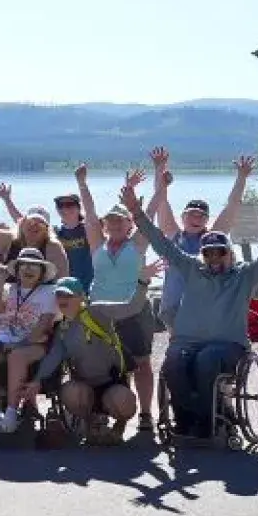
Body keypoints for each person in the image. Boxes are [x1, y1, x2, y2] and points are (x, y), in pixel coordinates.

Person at [129, 183, 258, 441]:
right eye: (208, 253)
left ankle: (204, 419)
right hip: (187, 341)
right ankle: (186, 418)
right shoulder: (192, 269)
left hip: (228, 345)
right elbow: (161, 243)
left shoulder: (244, 276)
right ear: (202, 255)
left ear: (229, 254)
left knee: (208, 360)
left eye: (219, 252)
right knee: (173, 364)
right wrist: (137, 213)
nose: (213, 258)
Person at [21, 265, 158, 444]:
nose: (63, 299)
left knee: (124, 404)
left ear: (81, 297)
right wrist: (37, 380)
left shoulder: (97, 311)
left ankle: (119, 425)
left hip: (113, 383)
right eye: (60, 295)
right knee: (70, 391)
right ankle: (91, 424)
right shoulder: (62, 329)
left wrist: (142, 282)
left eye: (69, 295)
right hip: (84, 387)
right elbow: (52, 358)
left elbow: (132, 307)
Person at [74, 163, 159, 433]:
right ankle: (111, 410)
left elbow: (152, 210)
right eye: (110, 220)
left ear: (130, 222)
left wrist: (160, 177)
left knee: (142, 362)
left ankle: (145, 414)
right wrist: (82, 183)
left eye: (120, 220)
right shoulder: (97, 244)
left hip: (133, 310)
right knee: (108, 363)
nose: (114, 224)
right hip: (101, 313)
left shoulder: (138, 244)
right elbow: (88, 212)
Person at [147, 149, 254, 329]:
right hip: (173, 307)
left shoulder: (213, 238)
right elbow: (162, 201)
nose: (196, 219)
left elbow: (233, 205)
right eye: (191, 215)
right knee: (181, 351)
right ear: (182, 217)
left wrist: (242, 177)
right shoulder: (173, 234)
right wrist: (159, 169)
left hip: (208, 307)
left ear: (207, 219)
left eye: (201, 216)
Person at [0, 247, 54, 433]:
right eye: (24, 265)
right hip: (1, 342)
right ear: (17, 270)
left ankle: (11, 413)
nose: (28, 269)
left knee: (17, 356)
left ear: (42, 272)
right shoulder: (8, 289)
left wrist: (16, 345)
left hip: (34, 345)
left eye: (35, 266)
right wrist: (0, 282)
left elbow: (43, 326)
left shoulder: (49, 292)